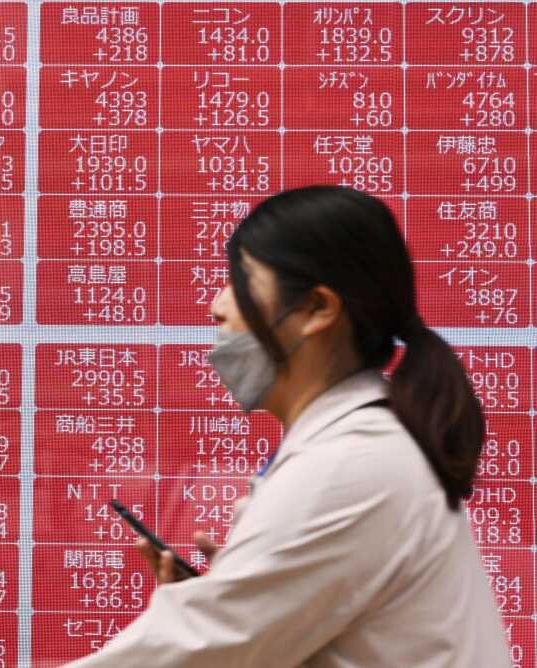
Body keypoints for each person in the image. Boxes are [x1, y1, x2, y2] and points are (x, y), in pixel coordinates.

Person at [64, 186, 512, 667]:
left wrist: (230, 606)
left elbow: (187, 649)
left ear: (318, 308)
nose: (218, 305)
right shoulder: (361, 445)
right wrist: (243, 590)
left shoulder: (349, 466)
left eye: (242, 280)